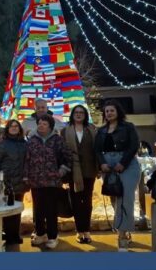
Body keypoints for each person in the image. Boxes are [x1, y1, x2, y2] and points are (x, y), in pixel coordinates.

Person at [94, 100, 140, 252]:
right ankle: (124, 228)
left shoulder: (128, 127)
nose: (109, 113)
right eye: (106, 111)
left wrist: (123, 163)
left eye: (111, 110)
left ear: (118, 112)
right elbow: (97, 150)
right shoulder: (100, 131)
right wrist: (102, 164)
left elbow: (134, 145)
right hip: (109, 166)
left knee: (125, 198)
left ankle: (122, 237)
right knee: (115, 198)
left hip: (127, 165)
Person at [24, 114, 72, 249]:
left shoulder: (57, 140)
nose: (41, 125)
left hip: (53, 182)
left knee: (51, 210)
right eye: (39, 123)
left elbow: (67, 156)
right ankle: (40, 234)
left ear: (50, 126)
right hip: (36, 181)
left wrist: (61, 171)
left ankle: (52, 236)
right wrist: (26, 176)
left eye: (44, 123)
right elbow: (27, 159)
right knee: (38, 210)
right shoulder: (32, 140)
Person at [61, 105, 98, 244]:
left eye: (81, 112)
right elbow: (62, 152)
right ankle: (79, 230)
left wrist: (99, 167)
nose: (78, 114)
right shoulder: (65, 131)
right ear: (72, 115)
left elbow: (96, 149)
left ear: (85, 115)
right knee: (76, 201)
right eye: (76, 112)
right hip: (73, 170)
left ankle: (86, 231)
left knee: (87, 201)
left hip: (89, 170)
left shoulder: (92, 130)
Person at [0, 119, 27, 251]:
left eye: (16, 126)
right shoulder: (2, 144)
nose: (14, 128)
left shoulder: (24, 143)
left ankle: (15, 235)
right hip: (5, 182)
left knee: (17, 210)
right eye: (11, 126)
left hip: (20, 181)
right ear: (7, 129)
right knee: (6, 210)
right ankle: (8, 235)